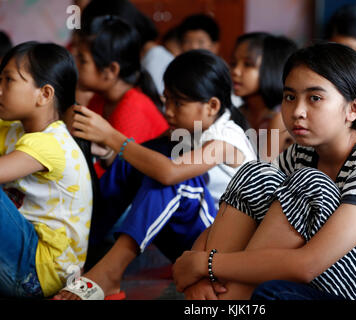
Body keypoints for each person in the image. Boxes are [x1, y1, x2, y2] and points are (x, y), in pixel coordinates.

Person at [172, 42, 356, 300]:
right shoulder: (301, 153)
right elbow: (237, 207)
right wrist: (200, 275)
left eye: (315, 98)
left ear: (354, 108)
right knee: (256, 173)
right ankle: (218, 296)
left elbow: (308, 265)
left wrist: (205, 264)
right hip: (299, 273)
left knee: (310, 183)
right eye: (290, 97)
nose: (297, 112)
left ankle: (226, 300)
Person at [53, 49, 257, 300]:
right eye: (166, 100)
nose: (168, 111)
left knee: (170, 177)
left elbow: (170, 173)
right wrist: (109, 151)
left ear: (212, 106)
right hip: (193, 239)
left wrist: (112, 137)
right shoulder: (188, 130)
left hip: (224, 246)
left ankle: (110, 273)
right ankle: (83, 256)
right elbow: (142, 160)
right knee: (140, 159)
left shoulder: (226, 138)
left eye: (178, 103)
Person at [0, 42, 94, 298]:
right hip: (24, 253)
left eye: (8, 80)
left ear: (44, 94)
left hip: (41, 272)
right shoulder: (16, 128)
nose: (0, 89)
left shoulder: (51, 143)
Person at [66, 15, 168, 177]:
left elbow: (117, 176)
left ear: (111, 71)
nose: (75, 65)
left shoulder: (132, 107)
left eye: (83, 60)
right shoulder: (99, 99)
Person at [230, 32, 297, 160]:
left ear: (271, 68)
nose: (235, 71)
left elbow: (264, 173)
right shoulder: (238, 113)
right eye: (233, 63)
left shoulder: (279, 117)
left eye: (248, 64)